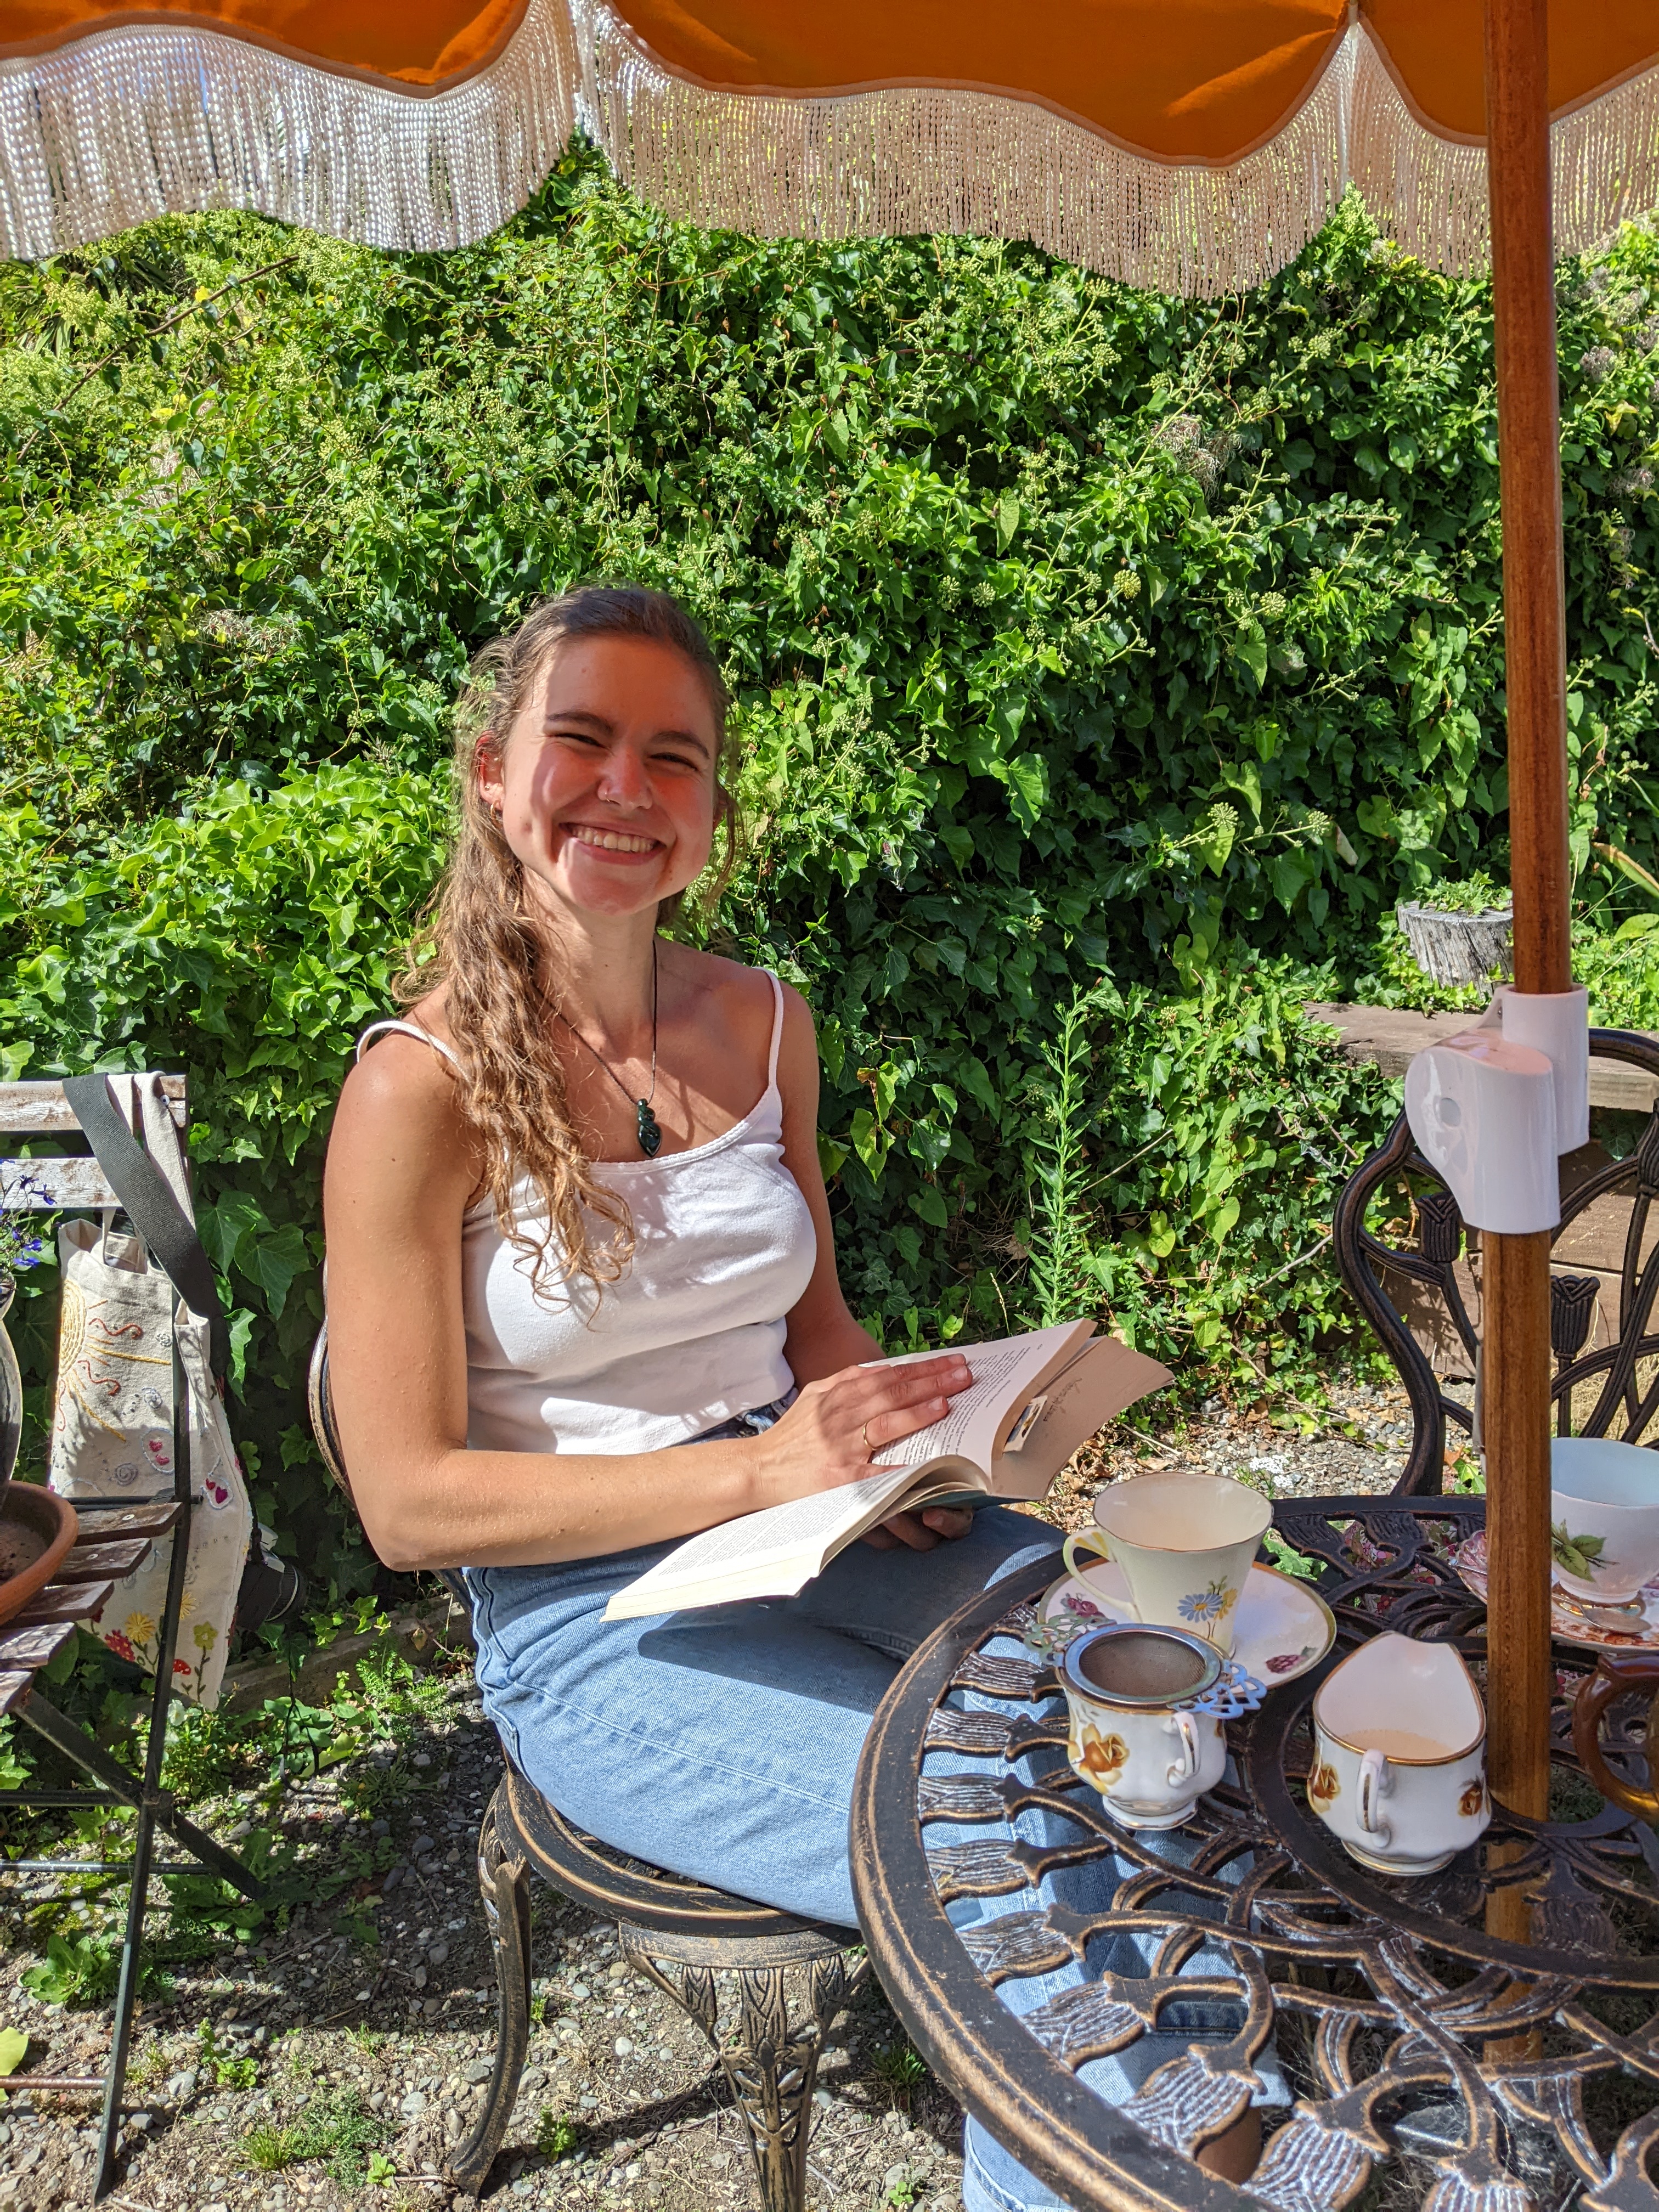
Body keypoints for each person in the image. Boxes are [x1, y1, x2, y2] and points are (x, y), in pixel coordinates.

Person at [322, 584, 1257, 2211]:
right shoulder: (419, 1087)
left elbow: (817, 1325)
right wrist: (763, 1474)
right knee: (991, 1865)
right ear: (492, 773)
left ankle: (1222, 2118)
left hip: (824, 1522)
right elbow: (408, 1505)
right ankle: (1194, 2153)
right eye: (582, 740)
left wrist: (917, 1455)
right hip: (585, 1620)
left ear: (713, 807)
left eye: (673, 756)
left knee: (1168, 1706)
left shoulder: (761, 1022)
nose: (627, 787)